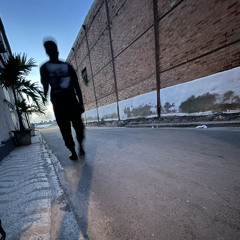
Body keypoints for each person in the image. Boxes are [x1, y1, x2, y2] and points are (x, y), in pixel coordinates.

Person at [40, 39, 85, 160]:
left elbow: (45, 86)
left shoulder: (45, 67)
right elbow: (76, 86)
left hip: (59, 102)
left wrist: (44, 97)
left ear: (47, 52)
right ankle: (79, 147)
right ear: (57, 51)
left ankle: (74, 151)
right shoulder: (67, 66)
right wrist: (81, 102)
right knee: (77, 126)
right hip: (70, 100)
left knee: (65, 130)